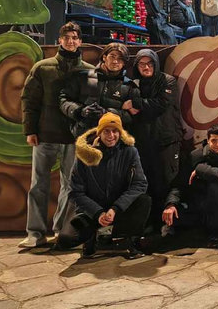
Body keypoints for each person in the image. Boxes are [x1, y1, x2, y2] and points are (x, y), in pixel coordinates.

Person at [19, 22, 93, 248]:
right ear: (59, 40)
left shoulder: (89, 70)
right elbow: (29, 100)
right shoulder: (43, 68)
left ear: (80, 41)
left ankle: (62, 231)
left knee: (71, 186)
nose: (71, 41)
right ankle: (35, 233)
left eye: (74, 37)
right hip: (46, 134)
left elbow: (92, 104)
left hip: (74, 138)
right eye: (66, 37)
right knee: (38, 184)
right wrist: (30, 130)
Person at [61, 113, 150, 259]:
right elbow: (75, 191)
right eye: (106, 131)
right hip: (92, 209)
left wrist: (115, 208)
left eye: (115, 131)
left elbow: (139, 184)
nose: (111, 135)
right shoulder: (85, 154)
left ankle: (129, 240)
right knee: (67, 239)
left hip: (118, 207)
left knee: (144, 200)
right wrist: (97, 213)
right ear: (99, 133)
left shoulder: (129, 152)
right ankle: (91, 238)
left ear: (120, 133)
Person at [162, 124, 218, 246]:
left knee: (215, 187)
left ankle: (216, 233)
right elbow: (180, 183)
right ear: (208, 140)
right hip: (198, 200)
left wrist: (200, 169)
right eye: (214, 141)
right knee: (171, 214)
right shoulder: (195, 155)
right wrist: (171, 204)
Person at [128, 49, 182, 228]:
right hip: (143, 142)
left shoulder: (168, 81)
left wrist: (136, 104)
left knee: (168, 182)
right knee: (146, 183)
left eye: (150, 63)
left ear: (156, 64)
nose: (146, 67)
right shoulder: (133, 85)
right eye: (142, 64)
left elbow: (161, 103)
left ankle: (168, 225)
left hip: (167, 140)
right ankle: (150, 223)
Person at [59, 42, 137, 138]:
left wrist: (108, 113)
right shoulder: (83, 77)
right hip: (82, 136)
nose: (115, 61)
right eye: (112, 56)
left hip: (112, 139)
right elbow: (64, 100)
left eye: (120, 58)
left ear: (124, 62)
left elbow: (132, 116)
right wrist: (80, 111)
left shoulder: (129, 86)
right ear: (104, 57)